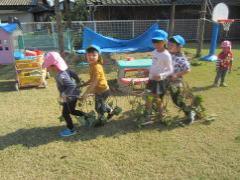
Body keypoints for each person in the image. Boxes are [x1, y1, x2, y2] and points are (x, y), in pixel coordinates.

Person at [43, 52, 87, 137]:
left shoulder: (61, 75)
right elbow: (73, 74)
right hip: (73, 96)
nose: (47, 69)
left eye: (48, 67)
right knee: (72, 111)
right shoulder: (64, 70)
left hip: (70, 97)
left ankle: (71, 129)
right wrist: (78, 81)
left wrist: (64, 94)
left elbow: (71, 85)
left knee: (65, 113)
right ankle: (86, 116)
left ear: (54, 66)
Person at [81, 45, 114, 127]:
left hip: (103, 91)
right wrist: (83, 84)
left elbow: (94, 82)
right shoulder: (92, 65)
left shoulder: (97, 67)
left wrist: (86, 93)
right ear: (86, 56)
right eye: (89, 55)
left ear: (98, 56)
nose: (91, 57)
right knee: (101, 104)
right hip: (98, 90)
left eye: (94, 55)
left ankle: (101, 121)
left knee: (98, 107)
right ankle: (111, 111)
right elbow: (92, 79)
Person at [168, 35, 197, 124]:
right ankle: (157, 111)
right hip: (166, 80)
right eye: (169, 44)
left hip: (175, 82)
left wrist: (177, 75)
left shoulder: (181, 58)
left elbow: (188, 69)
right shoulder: (169, 54)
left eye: (172, 45)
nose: (169, 46)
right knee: (158, 94)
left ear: (179, 47)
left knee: (177, 100)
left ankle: (189, 112)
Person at [145, 30, 173, 121]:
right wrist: (148, 71)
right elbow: (154, 64)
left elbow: (170, 70)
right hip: (151, 79)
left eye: (158, 41)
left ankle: (161, 115)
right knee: (149, 97)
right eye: (154, 41)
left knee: (156, 99)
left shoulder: (166, 55)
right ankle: (149, 113)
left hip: (159, 81)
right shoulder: (154, 52)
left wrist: (161, 75)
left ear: (165, 41)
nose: (156, 44)